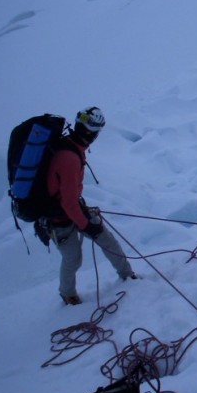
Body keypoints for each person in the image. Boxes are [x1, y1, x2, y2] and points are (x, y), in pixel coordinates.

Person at [45, 107, 136, 305]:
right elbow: (67, 202)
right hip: (59, 218)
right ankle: (67, 295)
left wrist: (84, 219)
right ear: (90, 132)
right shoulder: (69, 158)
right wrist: (86, 225)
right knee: (73, 258)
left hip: (71, 211)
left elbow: (69, 198)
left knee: (107, 240)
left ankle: (128, 276)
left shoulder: (71, 148)